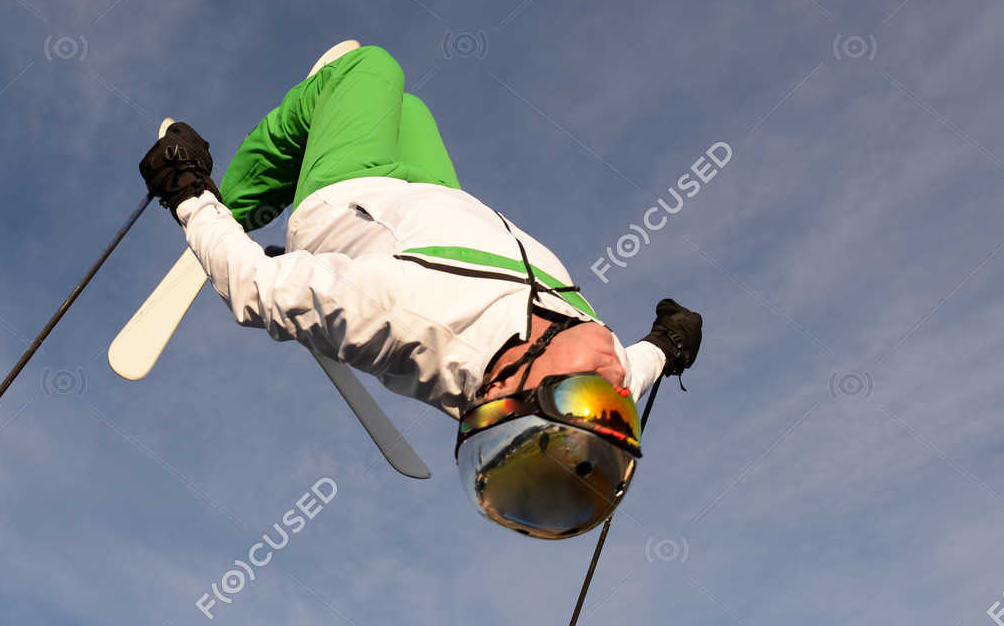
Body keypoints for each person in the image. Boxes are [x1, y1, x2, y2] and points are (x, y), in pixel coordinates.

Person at [138, 43, 701, 539]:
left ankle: (245, 193)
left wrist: (189, 194)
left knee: (365, 65)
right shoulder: (599, 373)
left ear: (506, 385)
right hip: (434, 196)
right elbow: (635, 366)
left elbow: (256, 290)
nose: (612, 382)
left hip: (348, 195)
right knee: (410, 108)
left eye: (590, 397)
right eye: (615, 414)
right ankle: (335, 108)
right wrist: (666, 345)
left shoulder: (411, 318)